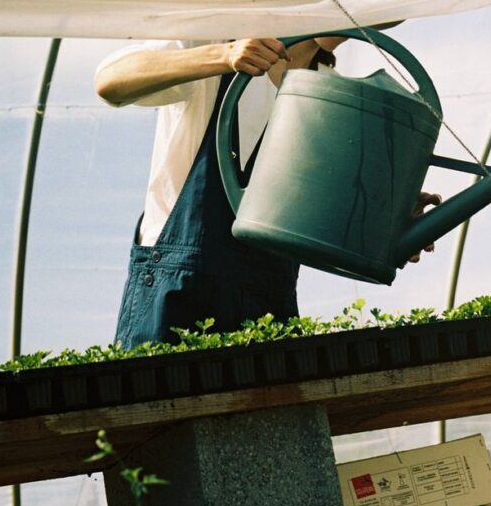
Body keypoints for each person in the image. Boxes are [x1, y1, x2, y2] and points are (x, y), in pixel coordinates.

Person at [95, 36, 345, 350]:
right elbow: (110, 79)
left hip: (268, 304)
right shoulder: (222, 45)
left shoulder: (333, 94)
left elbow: (324, 212)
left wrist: (388, 211)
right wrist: (224, 56)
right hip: (176, 295)